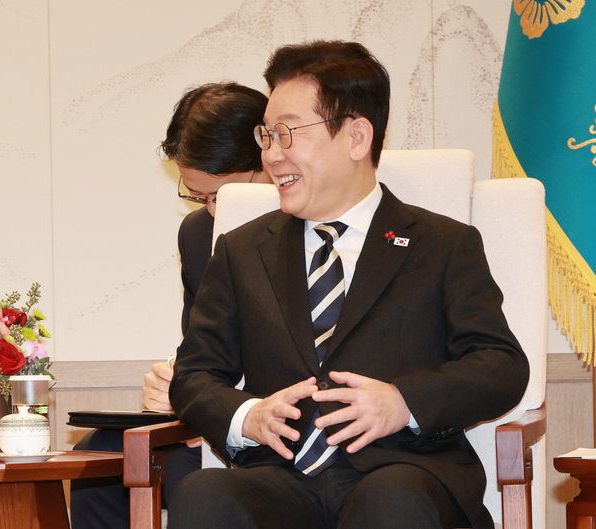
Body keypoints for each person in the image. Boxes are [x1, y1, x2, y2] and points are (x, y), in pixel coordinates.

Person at [167, 41, 529, 529]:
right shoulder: (241, 251)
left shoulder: (442, 244)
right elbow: (194, 375)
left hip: (403, 473)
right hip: (282, 480)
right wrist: (247, 415)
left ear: (357, 137)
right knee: (205, 495)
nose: (271, 155)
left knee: (391, 499)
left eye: (287, 133)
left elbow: (501, 365)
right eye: (266, 136)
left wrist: (404, 402)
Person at [69, 82, 267, 528]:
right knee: (97, 461)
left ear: (271, 160)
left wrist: (218, 413)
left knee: (193, 482)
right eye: (198, 197)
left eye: (224, 196)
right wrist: (174, 387)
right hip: (208, 420)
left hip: (274, 422)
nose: (213, 212)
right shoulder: (197, 236)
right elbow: (201, 348)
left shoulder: (313, 228)